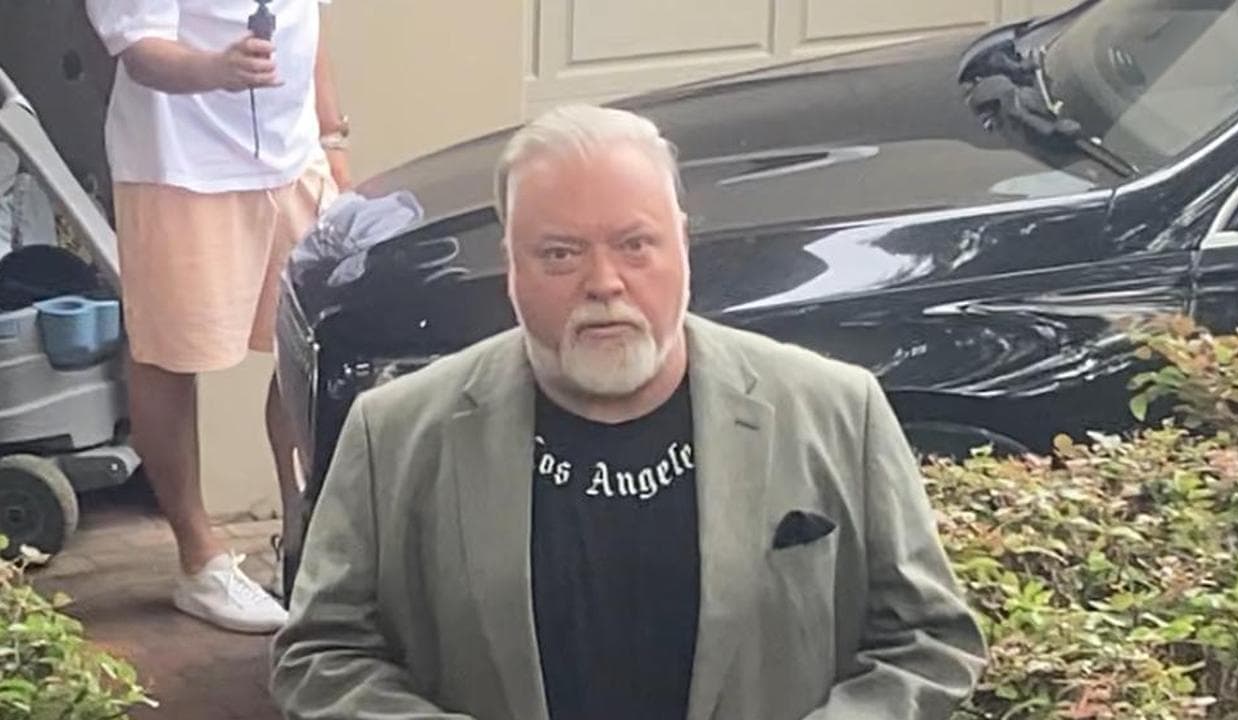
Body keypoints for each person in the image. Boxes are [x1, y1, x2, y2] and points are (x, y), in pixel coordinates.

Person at [271, 104, 987, 719]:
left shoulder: (837, 412)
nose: (604, 283)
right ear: (512, 268)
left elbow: (928, 641)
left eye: (635, 245)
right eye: (560, 254)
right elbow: (322, 652)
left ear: (684, 245)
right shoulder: (394, 435)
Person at [84, 0, 352, 634]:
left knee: (319, 342)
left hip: (296, 161)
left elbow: (307, 23)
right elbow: (141, 51)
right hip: (181, 171)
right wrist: (215, 69)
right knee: (168, 357)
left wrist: (333, 138)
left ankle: (303, 530)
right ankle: (199, 561)